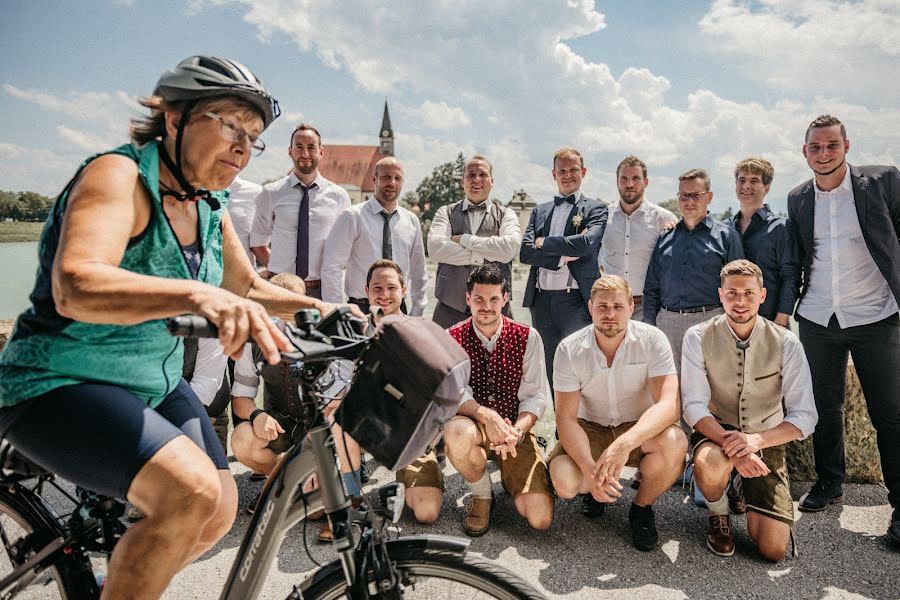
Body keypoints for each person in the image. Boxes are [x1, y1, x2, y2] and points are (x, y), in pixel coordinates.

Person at [0, 56, 358, 598]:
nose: (242, 146)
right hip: (57, 380)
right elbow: (75, 283)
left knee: (218, 507)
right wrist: (198, 294)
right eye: (231, 125)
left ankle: (117, 582)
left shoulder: (209, 203)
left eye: (254, 137)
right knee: (189, 494)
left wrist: (327, 310)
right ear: (173, 117)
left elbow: (249, 286)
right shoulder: (119, 175)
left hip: (154, 383)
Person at [787, 114, 900, 545]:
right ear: (805, 152)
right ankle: (829, 484)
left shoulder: (884, 181)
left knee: (889, 414)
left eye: (831, 145)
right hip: (818, 317)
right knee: (823, 406)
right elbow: (796, 257)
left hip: (876, 314)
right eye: (815, 147)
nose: (823, 153)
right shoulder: (798, 198)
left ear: (846, 146)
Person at [682, 260, 817, 560]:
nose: (740, 301)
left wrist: (755, 442)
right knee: (714, 463)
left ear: (763, 295)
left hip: (765, 437)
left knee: (773, 550)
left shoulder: (787, 342)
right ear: (720, 295)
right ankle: (718, 514)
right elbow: (693, 406)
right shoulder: (697, 336)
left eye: (748, 293)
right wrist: (736, 448)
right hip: (717, 434)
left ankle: (740, 488)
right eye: (732, 293)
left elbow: (805, 416)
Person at [549, 275, 686, 551]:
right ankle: (596, 490)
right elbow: (565, 418)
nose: (610, 314)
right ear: (590, 307)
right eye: (602, 307)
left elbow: (670, 405)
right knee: (564, 481)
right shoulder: (569, 349)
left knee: (676, 442)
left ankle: (641, 507)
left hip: (637, 428)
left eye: (617, 306)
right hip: (591, 428)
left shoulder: (653, 339)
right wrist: (590, 470)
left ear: (631, 307)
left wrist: (624, 444)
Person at [443, 264, 554, 536]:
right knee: (456, 432)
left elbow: (535, 396)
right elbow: (454, 393)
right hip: (473, 428)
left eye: (494, 299)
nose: (487, 307)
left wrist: (516, 431)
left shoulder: (528, 337)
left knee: (540, 519)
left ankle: (511, 473)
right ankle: (482, 495)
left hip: (515, 428)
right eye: (479, 299)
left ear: (505, 299)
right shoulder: (451, 338)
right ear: (467, 299)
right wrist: (486, 415)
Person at [520, 148, 607, 388]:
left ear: (584, 172)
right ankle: (561, 425)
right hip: (541, 302)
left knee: (579, 367)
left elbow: (586, 245)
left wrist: (544, 243)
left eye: (573, 170)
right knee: (550, 368)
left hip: (575, 302)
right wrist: (559, 258)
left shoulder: (595, 209)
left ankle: (582, 424)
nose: (567, 175)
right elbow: (525, 253)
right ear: (554, 174)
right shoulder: (539, 211)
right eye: (562, 171)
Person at [643, 168, 744, 371]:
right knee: (673, 389)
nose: (689, 201)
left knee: (712, 390)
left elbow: (738, 288)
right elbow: (652, 287)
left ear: (709, 197)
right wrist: (651, 328)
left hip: (711, 322)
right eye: (684, 196)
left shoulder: (727, 237)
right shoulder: (665, 237)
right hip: (668, 324)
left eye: (695, 195)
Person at [250, 124, 351, 296]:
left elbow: (346, 247)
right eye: (299, 147)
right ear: (290, 151)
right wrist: (279, 273)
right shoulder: (270, 193)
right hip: (280, 289)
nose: (305, 154)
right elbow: (258, 242)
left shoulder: (339, 196)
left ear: (321, 151)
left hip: (322, 289)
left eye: (311, 147)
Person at [322, 157, 428, 316]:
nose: (392, 182)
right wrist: (338, 312)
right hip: (361, 308)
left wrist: (417, 309)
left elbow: (419, 270)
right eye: (386, 177)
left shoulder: (411, 221)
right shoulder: (352, 217)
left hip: (399, 308)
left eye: (397, 178)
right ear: (374, 179)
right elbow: (332, 266)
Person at [427, 155, 521, 328]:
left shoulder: (507, 214)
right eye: (471, 175)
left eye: (482, 175)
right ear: (462, 181)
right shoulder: (445, 212)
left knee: (502, 355)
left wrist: (464, 239)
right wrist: (489, 254)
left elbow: (509, 250)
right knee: (442, 355)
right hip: (449, 308)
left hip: (495, 310)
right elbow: (435, 248)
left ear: (491, 181)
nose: (476, 179)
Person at [599, 156, 677, 322]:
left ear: (646, 182)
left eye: (636, 178)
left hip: (649, 306)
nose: (629, 184)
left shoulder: (663, 219)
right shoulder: (601, 218)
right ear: (617, 182)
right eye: (624, 179)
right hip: (611, 305)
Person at [726, 158, 800, 326]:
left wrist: (781, 321)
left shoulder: (781, 228)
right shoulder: (725, 228)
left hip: (770, 321)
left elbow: (791, 277)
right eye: (742, 180)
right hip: (731, 322)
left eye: (754, 181)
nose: (746, 186)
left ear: (766, 188)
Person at [227, 175, 263, 265]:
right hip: (195, 278)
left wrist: (277, 271)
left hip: (244, 276)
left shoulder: (257, 192)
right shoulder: (191, 192)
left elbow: (282, 233)